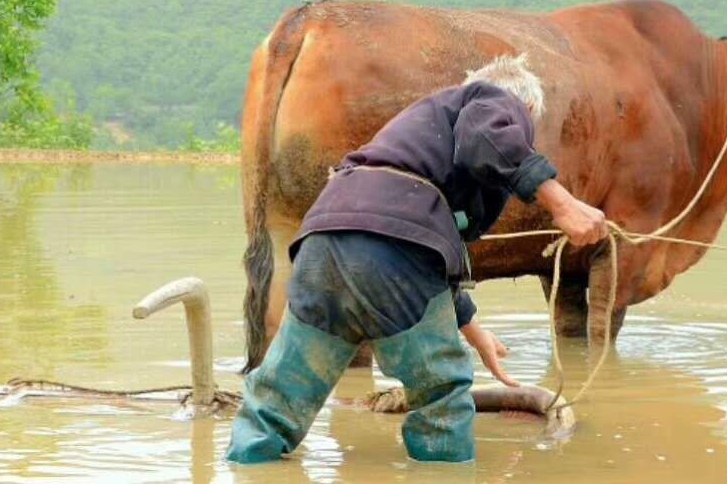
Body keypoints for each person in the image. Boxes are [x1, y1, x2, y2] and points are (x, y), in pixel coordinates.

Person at [227, 56, 610, 464]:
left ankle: (248, 464)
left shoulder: (422, 137)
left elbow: (427, 249)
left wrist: (472, 328)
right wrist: (563, 203)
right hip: (391, 253)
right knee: (441, 396)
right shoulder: (493, 97)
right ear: (525, 111)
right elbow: (483, 138)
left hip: (323, 244)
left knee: (279, 399)